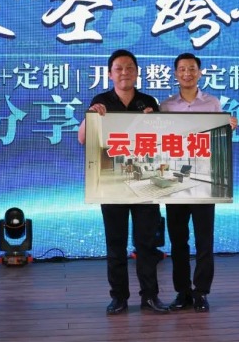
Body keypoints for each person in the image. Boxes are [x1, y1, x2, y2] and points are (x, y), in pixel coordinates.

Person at [78, 49, 169, 315]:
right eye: (119, 68)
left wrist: (156, 122)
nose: (124, 72)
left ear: (137, 72)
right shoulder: (101, 101)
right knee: (115, 245)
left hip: (145, 182)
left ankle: (150, 296)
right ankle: (118, 298)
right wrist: (90, 116)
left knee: (147, 245)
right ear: (110, 74)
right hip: (112, 182)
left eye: (130, 68)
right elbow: (83, 139)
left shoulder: (148, 101)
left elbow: (163, 142)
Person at [160, 53, 238, 313]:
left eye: (192, 69)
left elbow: (218, 138)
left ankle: (201, 292)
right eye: (182, 69)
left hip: (205, 180)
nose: (187, 73)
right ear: (175, 74)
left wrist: (228, 127)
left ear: (200, 73)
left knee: (205, 240)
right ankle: (182, 292)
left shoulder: (212, 103)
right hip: (175, 180)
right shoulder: (166, 106)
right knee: (178, 241)